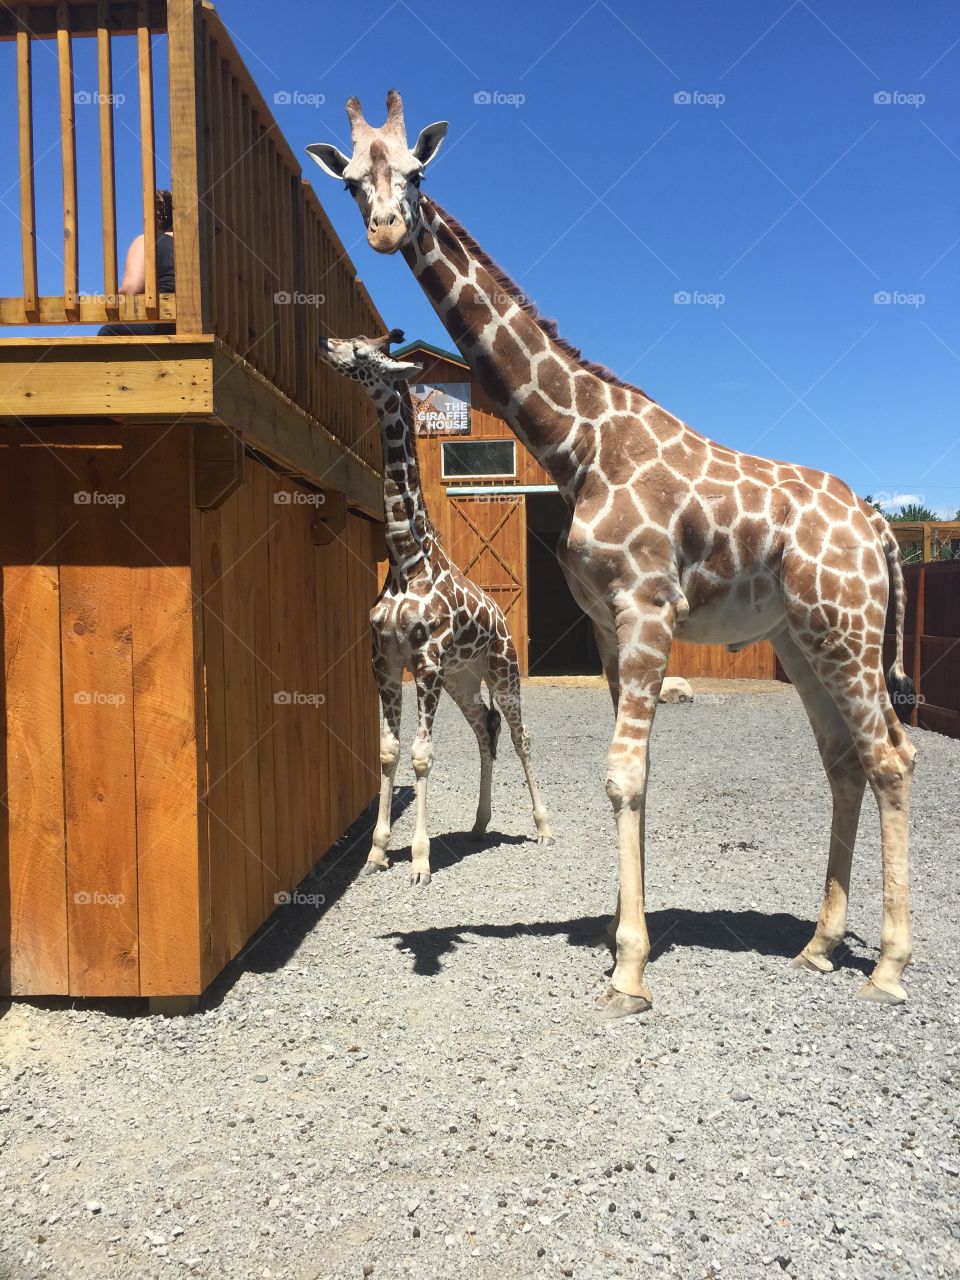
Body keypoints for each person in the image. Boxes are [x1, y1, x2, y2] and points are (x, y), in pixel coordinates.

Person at [97, 189, 176, 336]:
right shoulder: (195, 246)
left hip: (161, 324)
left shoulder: (148, 240)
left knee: (108, 332)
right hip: (196, 324)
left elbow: (132, 288)